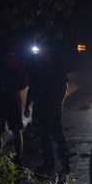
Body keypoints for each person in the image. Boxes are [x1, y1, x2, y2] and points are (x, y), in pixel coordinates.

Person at [24, 42, 70, 174]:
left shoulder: (53, 67)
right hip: (43, 105)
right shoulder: (40, 67)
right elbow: (33, 88)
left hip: (49, 105)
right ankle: (54, 162)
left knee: (54, 135)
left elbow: (62, 85)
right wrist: (28, 104)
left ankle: (62, 163)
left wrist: (57, 101)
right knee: (46, 135)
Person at [0, 46, 28, 165]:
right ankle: (16, 159)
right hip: (11, 101)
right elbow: (24, 83)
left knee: (0, 131)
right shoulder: (14, 64)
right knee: (13, 130)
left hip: (2, 101)